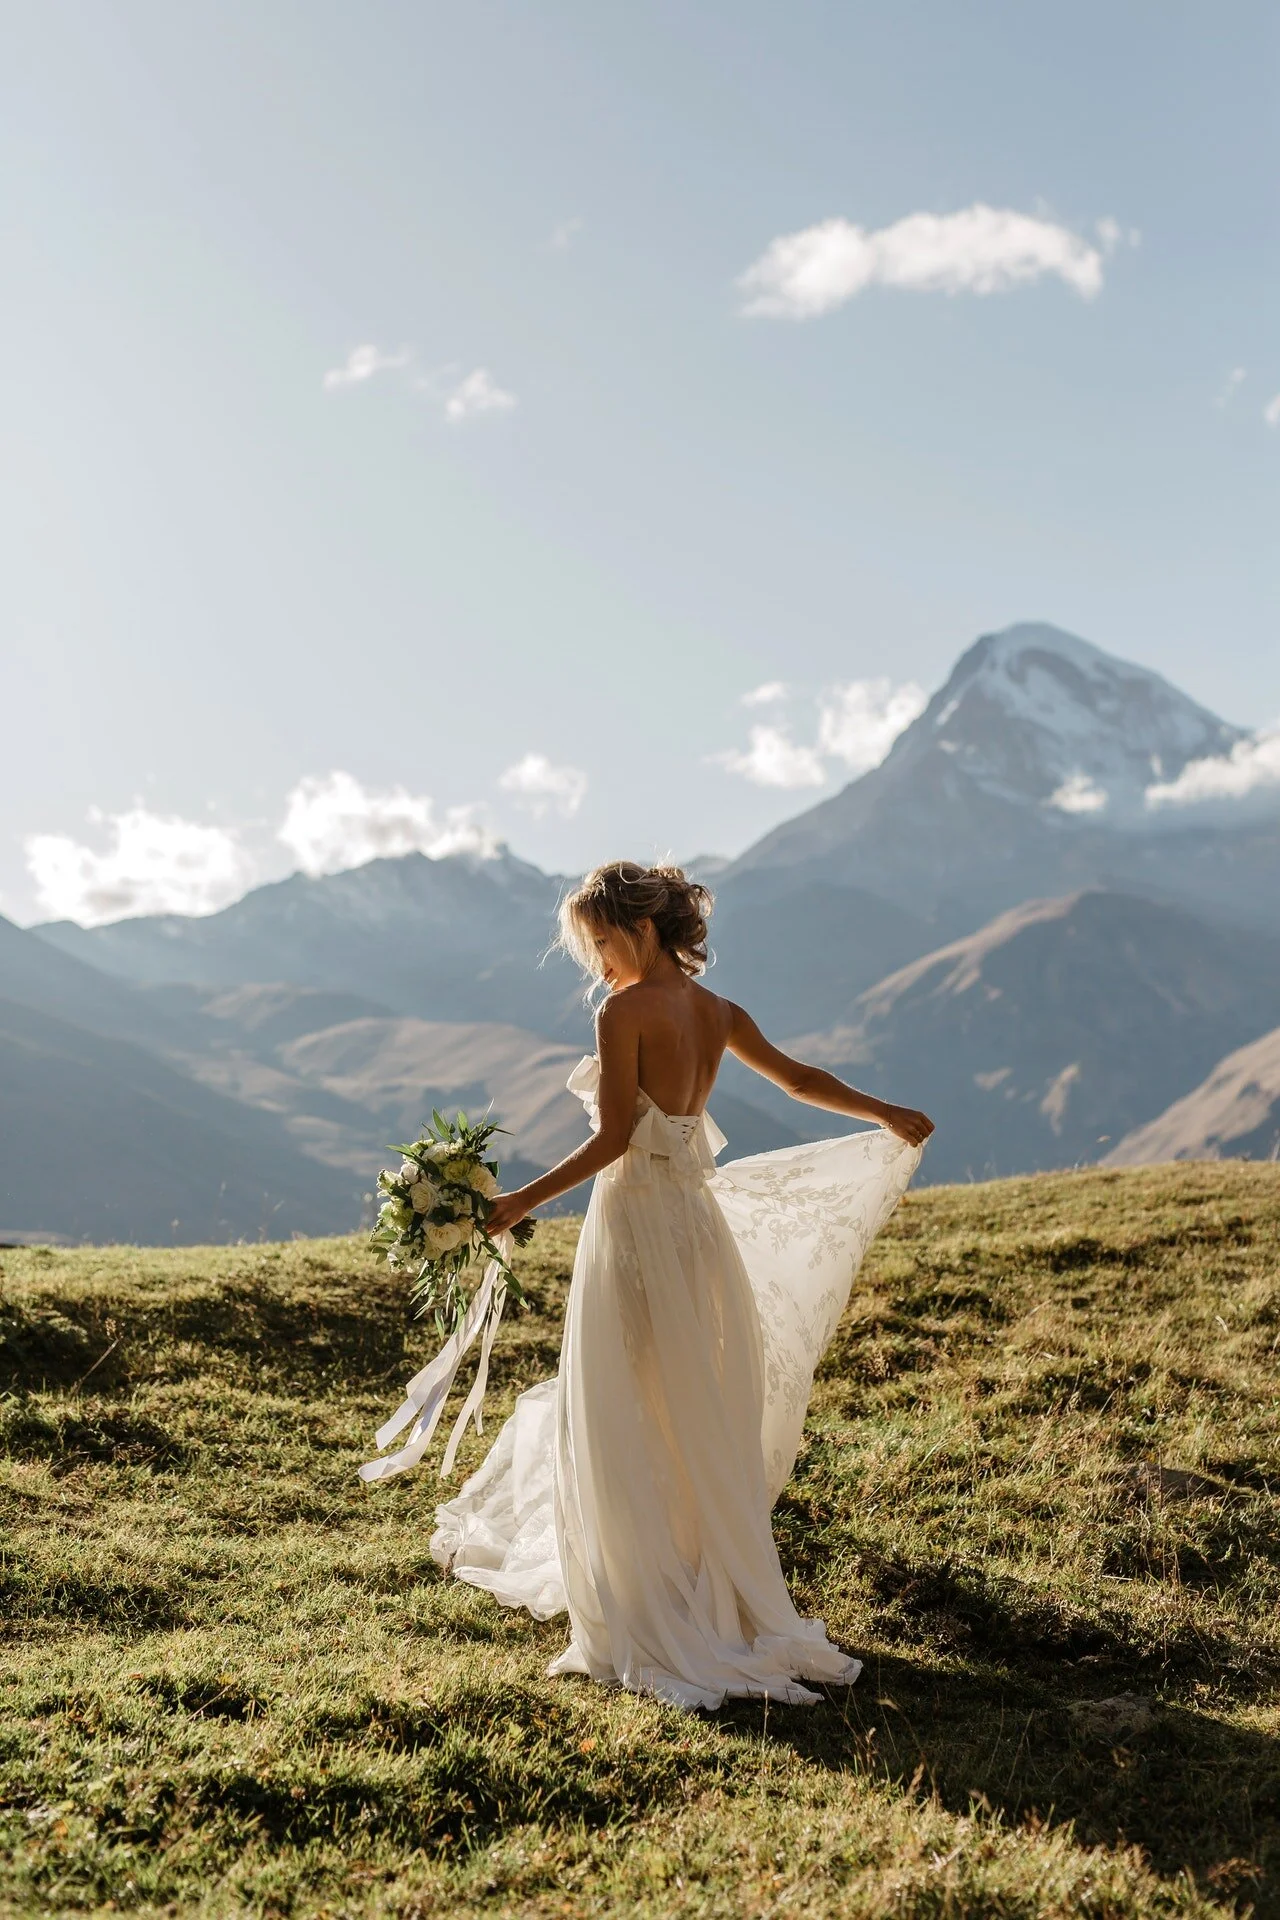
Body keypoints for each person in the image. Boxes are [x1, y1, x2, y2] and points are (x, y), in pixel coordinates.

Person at [431, 860, 934, 1710]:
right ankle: (697, 1568)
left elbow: (614, 1141)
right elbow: (801, 1080)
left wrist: (519, 1198)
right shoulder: (717, 1012)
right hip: (695, 1227)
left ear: (640, 930)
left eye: (600, 942)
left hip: (633, 1224)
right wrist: (886, 1111)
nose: (596, 961)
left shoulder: (623, 1012)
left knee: (625, 1392)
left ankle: (645, 1589)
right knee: (688, 1394)